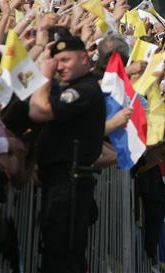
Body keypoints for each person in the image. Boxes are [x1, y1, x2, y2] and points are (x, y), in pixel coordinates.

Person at [28, 36, 106, 273]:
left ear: (84, 58)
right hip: (60, 181)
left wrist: (43, 75)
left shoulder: (84, 90)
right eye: (56, 60)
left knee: (61, 254)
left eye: (65, 60)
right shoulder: (74, 87)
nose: (59, 66)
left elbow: (39, 111)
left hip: (68, 183)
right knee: (56, 248)